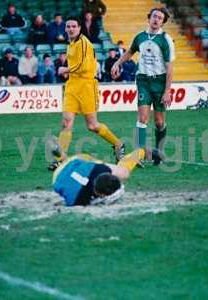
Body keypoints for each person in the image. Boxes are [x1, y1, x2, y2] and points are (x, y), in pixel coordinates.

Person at [47, 17, 125, 171]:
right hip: (72, 86)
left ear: (79, 28)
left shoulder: (84, 43)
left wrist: (65, 69)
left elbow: (83, 66)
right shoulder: (71, 44)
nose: (70, 29)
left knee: (92, 126)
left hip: (87, 86)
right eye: (68, 26)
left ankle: (118, 144)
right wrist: (69, 73)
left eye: (73, 26)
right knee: (66, 122)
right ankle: (60, 159)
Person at [111, 8, 174, 165]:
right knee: (142, 119)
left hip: (159, 82)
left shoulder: (166, 40)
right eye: (154, 16)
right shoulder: (140, 37)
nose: (156, 20)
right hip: (143, 81)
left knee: (159, 122)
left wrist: (167, 91)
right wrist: (118, 63)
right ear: (149, 18)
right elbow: (130, 52)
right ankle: (139, 154)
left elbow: (170, 68)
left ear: (163, 22)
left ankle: (158, 152)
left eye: (160, 18)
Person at [52, 140, 145, 206]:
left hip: (68, 168)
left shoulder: (99, 170)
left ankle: (62, 157)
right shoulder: (79, 200)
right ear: (101, 195)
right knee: (124, 172)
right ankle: (142, 151)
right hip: (63, 172)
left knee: (123, 172)